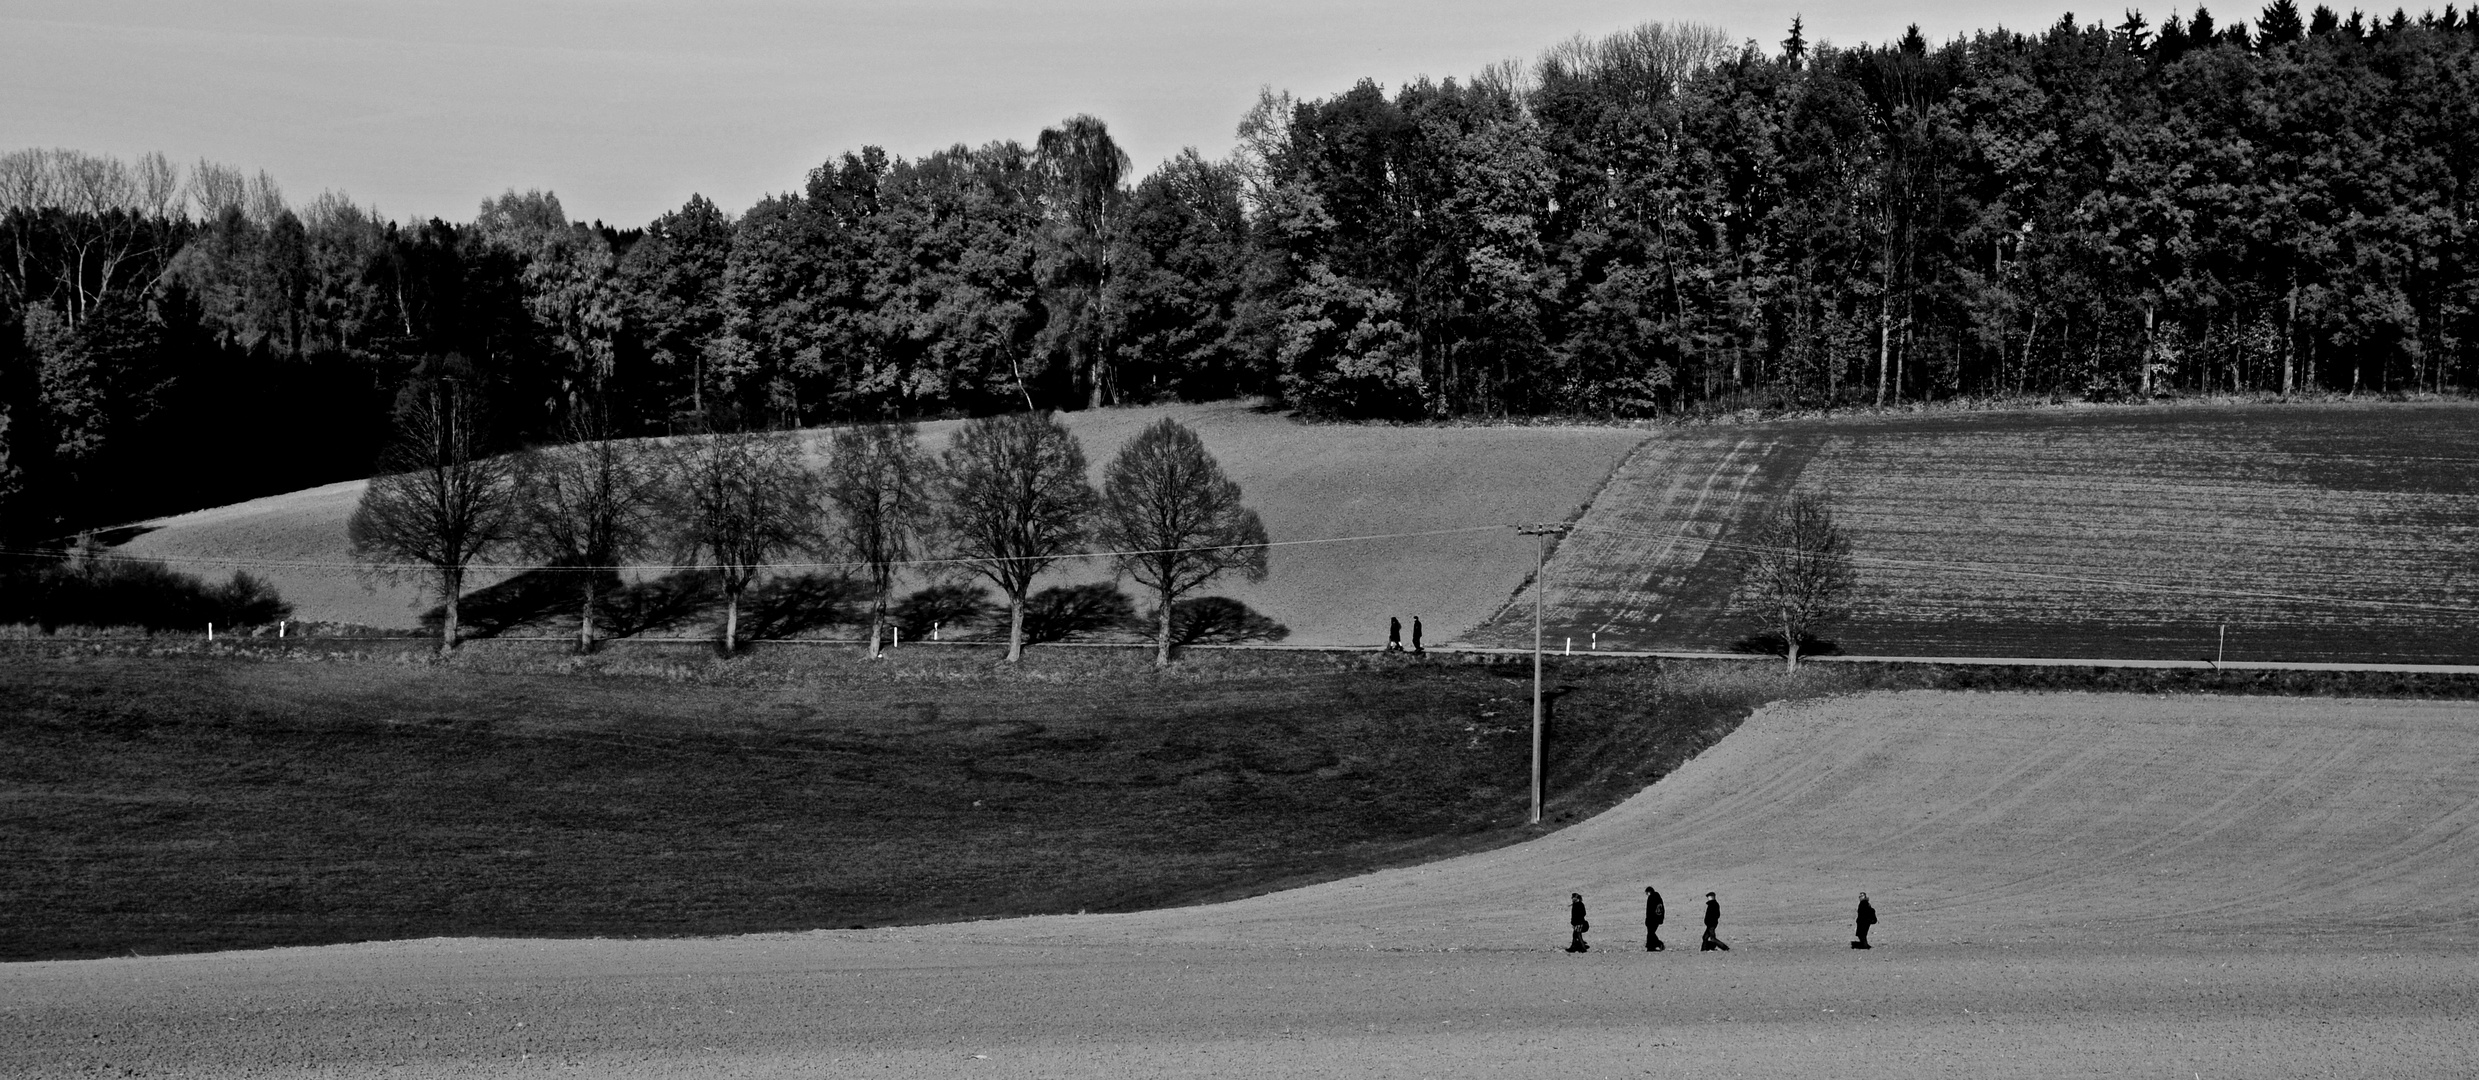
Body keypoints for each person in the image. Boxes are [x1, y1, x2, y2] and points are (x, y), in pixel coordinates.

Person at [1644, 886, 1665, 951]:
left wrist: (1647, 919)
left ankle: (1657, 944)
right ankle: (1650, 946)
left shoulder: (1651, 898)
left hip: (1652, 919)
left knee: (1651, 933)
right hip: (1657, 919)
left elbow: (1649, 910)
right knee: (1650, 933)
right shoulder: (1658, 898)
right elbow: (1662, 909)